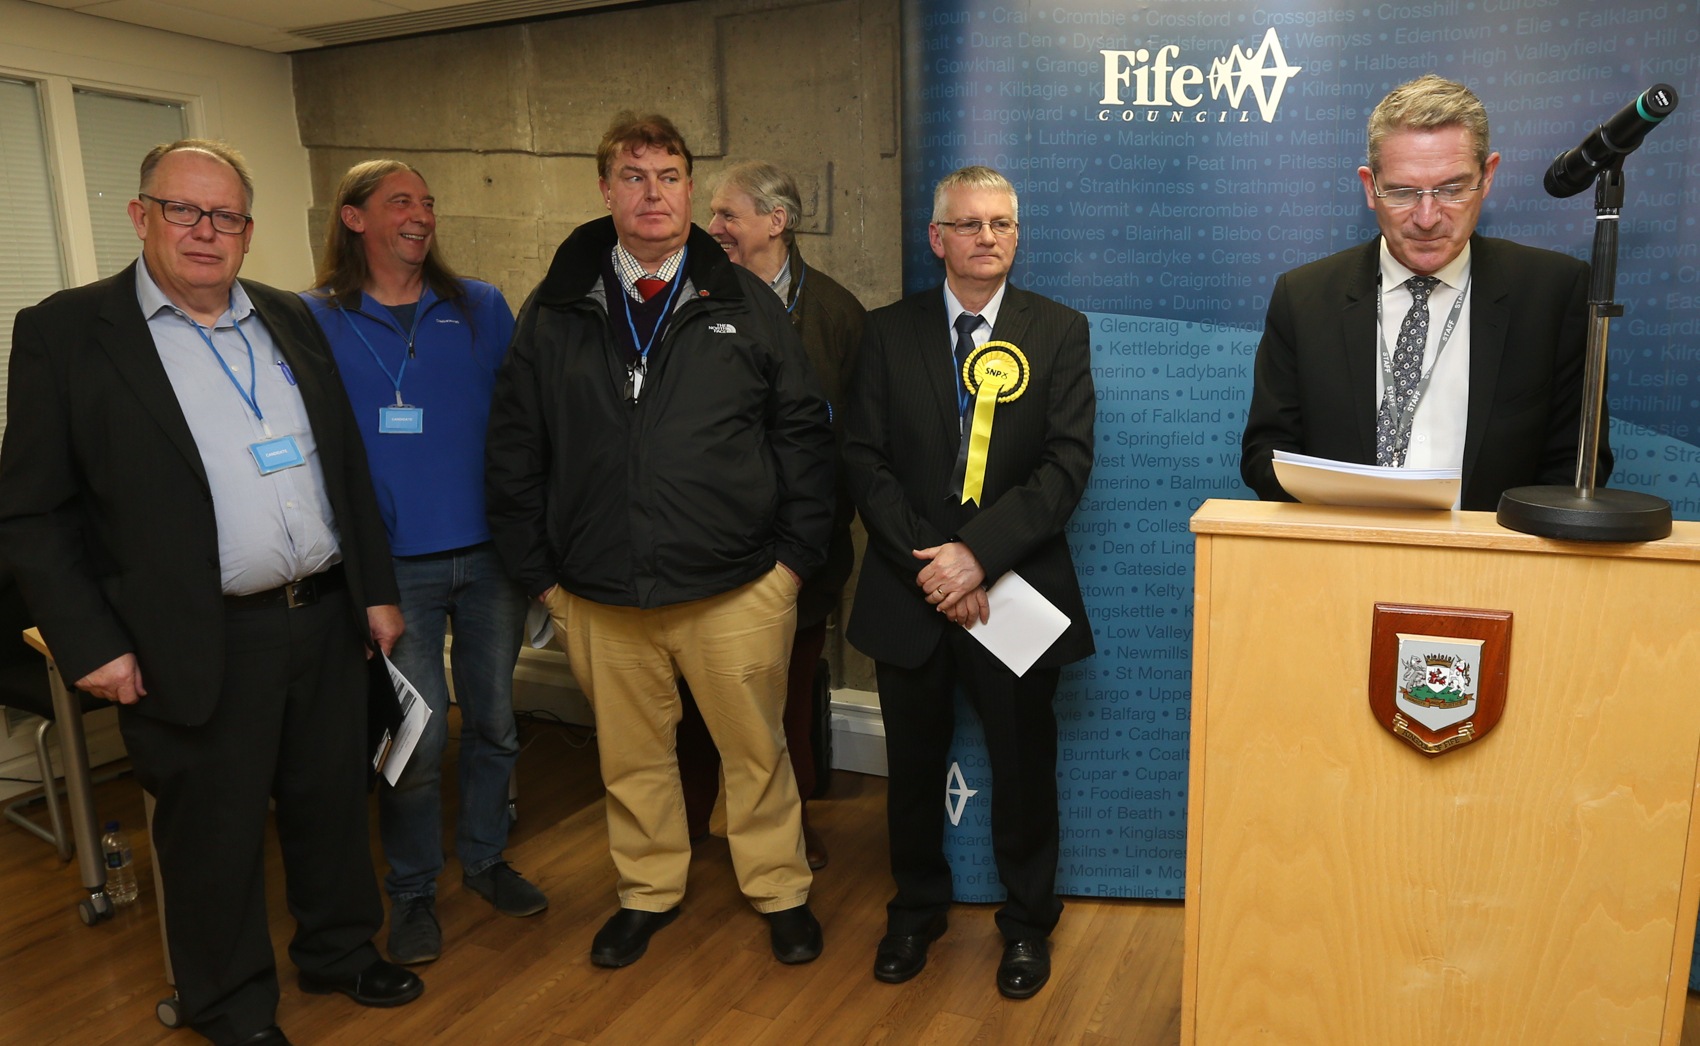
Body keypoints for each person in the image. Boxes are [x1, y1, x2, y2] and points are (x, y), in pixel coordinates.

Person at [0, 140, 421, 1046]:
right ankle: (228, 1003)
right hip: (190, 636)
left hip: (321, 615)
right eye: (183, 210)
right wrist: (91, 645)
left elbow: (343, 460)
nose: (205, 231)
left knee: (333, 805)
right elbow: (32, 513)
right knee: (213, 839)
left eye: (225, 216)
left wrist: (374, 591)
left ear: (248, 230)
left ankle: (341, 951)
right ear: (140, 215)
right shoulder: (66, 333)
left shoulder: (286, 317)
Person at [485, 113, 835, 968]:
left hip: (737, 587)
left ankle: (779, 888)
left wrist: (790, 566)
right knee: (633, 761)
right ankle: (647, 890)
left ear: (689, 188)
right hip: (599, 594)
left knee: (757, 752)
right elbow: (516, 443)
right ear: (605, 191)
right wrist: (540, 577)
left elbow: (804, 438)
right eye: (633, 176)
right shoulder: (557, 307)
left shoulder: (744, 302)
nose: (653, 193)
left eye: (670, 175)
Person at [843, 165, 1095, 999]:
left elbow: (1066, 465)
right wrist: (936, 565)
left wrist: (977, 556)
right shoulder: (885, 333)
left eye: (1002, 224)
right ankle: (914, 911)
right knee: (910, 768)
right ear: (937, 238)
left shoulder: (1059, 331)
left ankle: (1027, 925)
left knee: (1024, 770)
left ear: (1016, 236)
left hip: (1014, 591)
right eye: (970, 223)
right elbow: (863, 461)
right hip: (909, 588)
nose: (987, 237)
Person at [302, 160, 540, 968]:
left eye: (429, 202)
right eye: (400, 201)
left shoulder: (478, 306)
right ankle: (410, 893)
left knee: (497, 722)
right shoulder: (315, 318)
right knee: (418, 734)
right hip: (393, 569)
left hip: (491, 557)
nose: (421, 214)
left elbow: (522, 422)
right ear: (354, 218)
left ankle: (483, 859)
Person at [1241, 74, 1607, 509]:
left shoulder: (1553, 293)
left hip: (1493, 566)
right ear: (1370, 187)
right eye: (1403, 191)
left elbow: (1578, 467)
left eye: (1452, 189)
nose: (1428, 216)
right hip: (1342, 559)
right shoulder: (1303, 298)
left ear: (1487, 177)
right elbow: (1266, 456)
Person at [673, 161, 865, 869]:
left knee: (788, 703)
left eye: (727, 215)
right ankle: (692, 823)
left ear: (775, 223)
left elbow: (854, 444)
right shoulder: (687, 300)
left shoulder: (840, 316)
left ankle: (790, 825)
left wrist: (808, 541)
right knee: (695, 703)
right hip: (708, 550)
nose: (712, 227)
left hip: (800, 556)